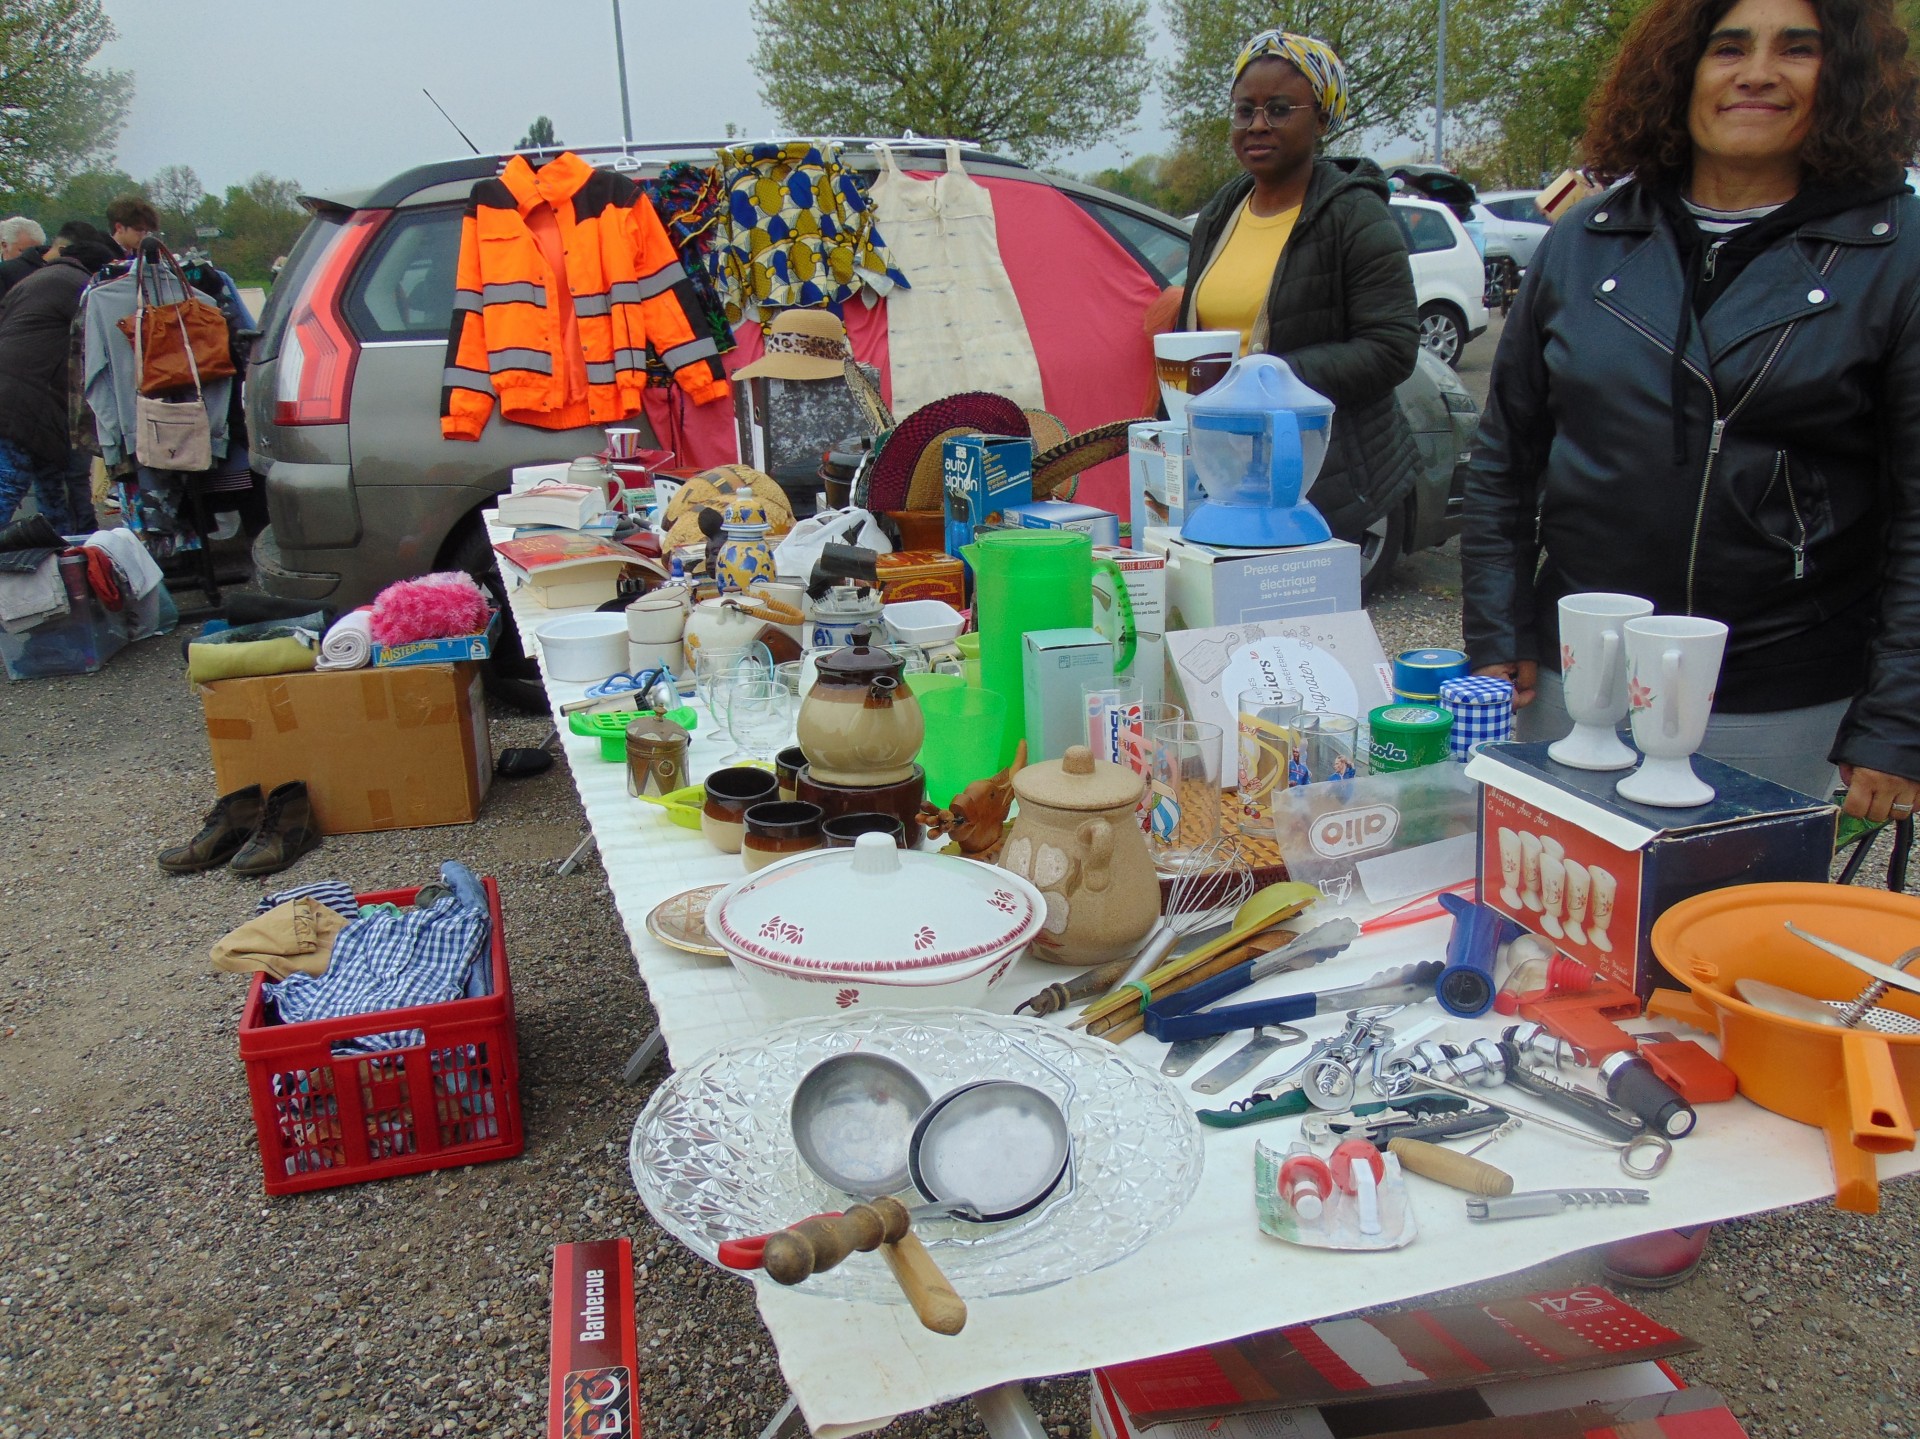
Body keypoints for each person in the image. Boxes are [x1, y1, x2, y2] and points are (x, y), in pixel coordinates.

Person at [1461, 0, 1920, 1284]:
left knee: (1711, 953)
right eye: (1730, 43)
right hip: (1585, 668)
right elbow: (1504, 461)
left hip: (1780, 670)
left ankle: (1676, 1171)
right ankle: (1559, 1114)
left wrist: (1897, 720)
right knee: (1575, 922)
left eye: (1798, 44)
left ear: (1848, 73)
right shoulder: (1586, 239)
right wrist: (1501, 632)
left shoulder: (1896, 249)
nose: (1760, 73)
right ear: (1683, 66)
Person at [1175, 30, 1422, 552]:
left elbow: (1392, 348)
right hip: (1224, 478)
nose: (1258, 125)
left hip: (1318, 479)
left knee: (1300, 628)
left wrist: (1268, 382)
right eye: (1245, 111)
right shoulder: (1221, 213)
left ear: (1323, 119)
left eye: (1280, 108)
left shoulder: (1355, 215)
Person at [0, 230, 120, 531]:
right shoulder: (81, 287)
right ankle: (65, 551)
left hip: (20, 394)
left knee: (51, 484)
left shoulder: (35, 280)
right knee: (11, 484)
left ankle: (62, 554)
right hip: (25, 400)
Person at [0, 217, 48, 301]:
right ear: (5, 245)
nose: (30, 256)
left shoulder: (46, 274)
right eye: (23, 251)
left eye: (36, 251)